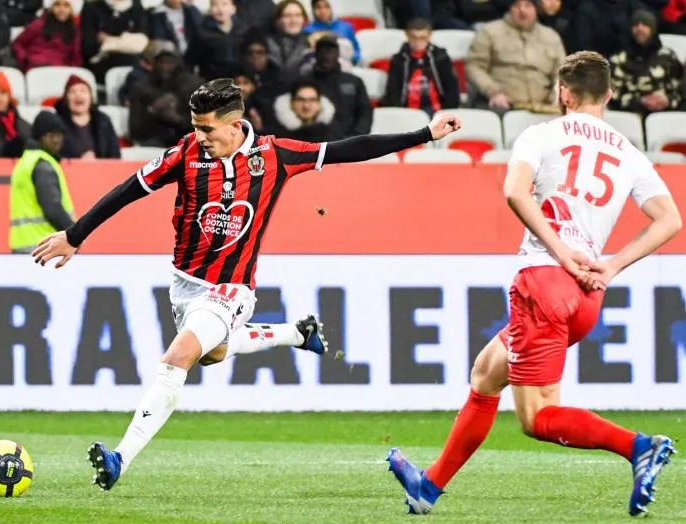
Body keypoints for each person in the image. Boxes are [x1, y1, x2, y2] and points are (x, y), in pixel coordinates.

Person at [31, 78, 462, 491]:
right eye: (195, 127)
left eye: (207, 128)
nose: (199, 136)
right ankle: (296, 333)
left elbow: (352, 149)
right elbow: (129, 190)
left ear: (235, 124)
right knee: (213, 353)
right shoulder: (184, 154)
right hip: (183, 283)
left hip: (232, 288)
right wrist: (75, 235)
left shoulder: (276, 156)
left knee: (179, 356)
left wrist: (424, 133)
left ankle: (119, 457)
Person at [386, 51, 681, 518]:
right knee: (486, 373)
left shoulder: (542, 135)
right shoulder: (628, 152)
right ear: (607, 94)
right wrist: (611, 266)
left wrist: (561, 253)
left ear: (563, 93)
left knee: (538, 417)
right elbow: (670, 219)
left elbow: (514, 192)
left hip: (544, 281)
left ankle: (639, 446)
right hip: (586, 294)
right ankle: (429, 487)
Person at [9, 111, 76, 253]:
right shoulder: (43, 164)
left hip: (22, 245)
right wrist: (75, 234)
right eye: (50, 135)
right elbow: (52, 209)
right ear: (40, 137)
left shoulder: (24, 162)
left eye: (59, 135)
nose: (56, 140)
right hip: (45, 246)